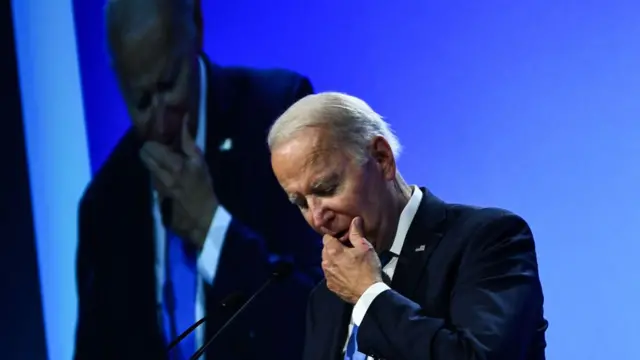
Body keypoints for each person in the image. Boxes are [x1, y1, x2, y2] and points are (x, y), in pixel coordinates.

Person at [74, 0, 322, 359]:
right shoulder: (106, 203)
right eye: (142, 101)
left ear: (196, 28)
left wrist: (212, 229)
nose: (160, 125)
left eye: (169, 85)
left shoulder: (276, 120)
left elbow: (322, 318)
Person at [268, 92, 549, 360]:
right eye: (301, 203)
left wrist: (369, 295)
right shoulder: (326, 297)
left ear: (382, 159)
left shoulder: (487, 239)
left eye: (327, 188)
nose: (317, 218)